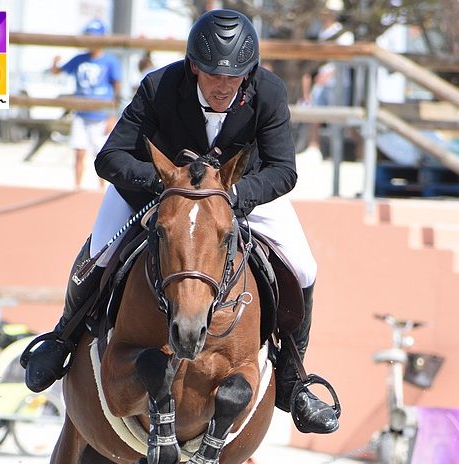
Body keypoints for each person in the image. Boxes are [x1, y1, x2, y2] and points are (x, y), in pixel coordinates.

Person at [23, 9, 339, 435]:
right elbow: (109, 157)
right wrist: (164, 184)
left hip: (237, 195)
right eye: (213, 76)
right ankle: (62, 338)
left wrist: (234, 197)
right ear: (194, 67)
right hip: (159, 193)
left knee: (304, 265)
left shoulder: (269, 91)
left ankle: (293, 378)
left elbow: (283, 170)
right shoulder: (160, 86)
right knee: (101, 249)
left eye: (234, 77)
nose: (224, 86)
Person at [50, 19, 122, 188]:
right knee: (79, 152)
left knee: (102, 155)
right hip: (81, 114)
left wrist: (113, 116)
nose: (91, 41)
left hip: (101, 115)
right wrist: (54, 62)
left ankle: (101, 188)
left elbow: (117, 90)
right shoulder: (80, 59)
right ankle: (77, 187)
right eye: (88, 37)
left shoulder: (110, 61)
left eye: (95, 37)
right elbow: (57, 71)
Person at [302, 0, 354, 154]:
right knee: (314, 113)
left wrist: (328, 74)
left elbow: (345, 60)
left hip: (339, 82)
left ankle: (346, 150)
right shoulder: (321, 31)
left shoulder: (345, 34)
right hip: (322, 81)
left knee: (341, 119)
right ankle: (314, 146)